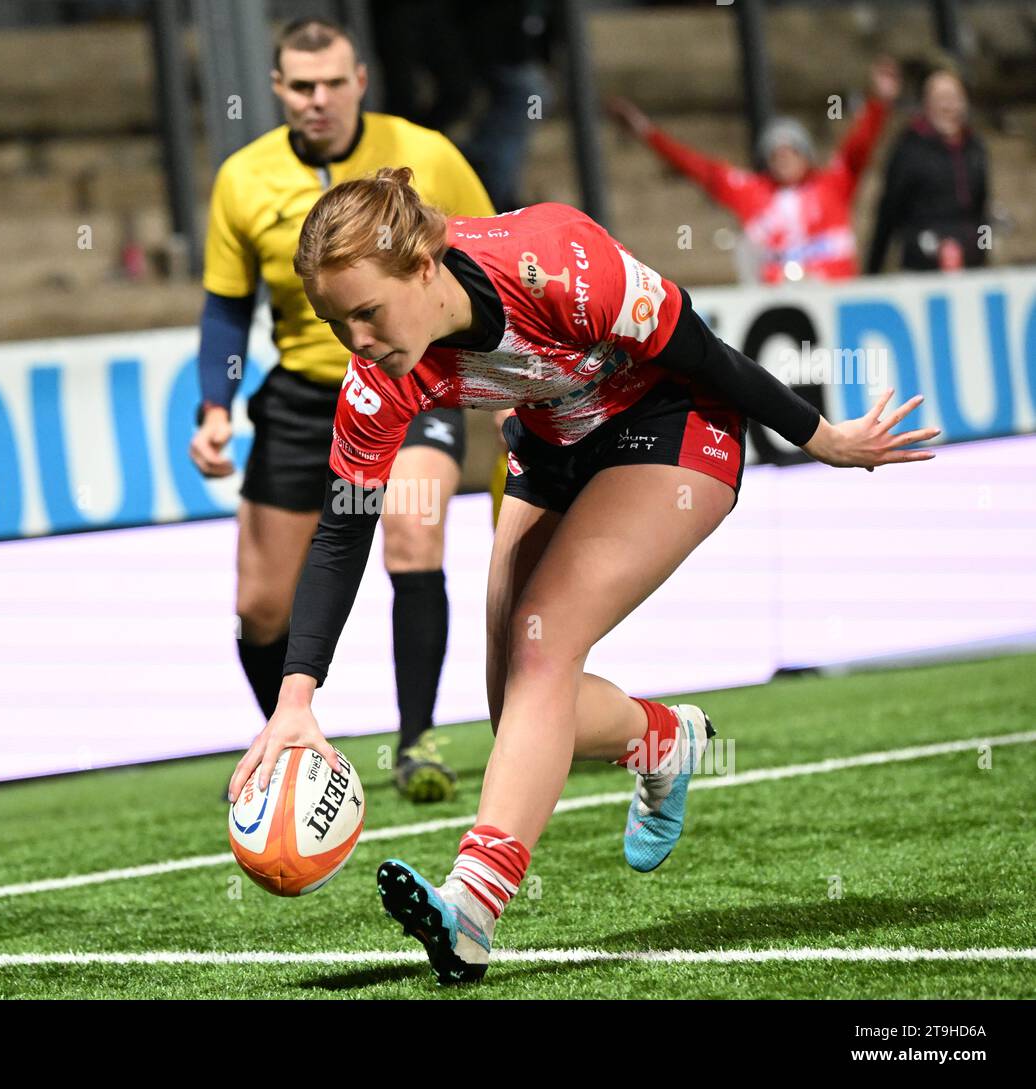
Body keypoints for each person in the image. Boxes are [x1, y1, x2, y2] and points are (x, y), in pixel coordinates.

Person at [228, 168, 937, 984]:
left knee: (543, 645)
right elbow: (343, 531)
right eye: (333, 321)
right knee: (519, 707)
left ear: (423, 268)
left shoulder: (554, 261)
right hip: (555, 441)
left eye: (366, 311)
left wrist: (821, 438)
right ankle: (663, 741)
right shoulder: (378, 379)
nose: (355, 339)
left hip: (675, 426)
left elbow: (703, 350)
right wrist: (294, 701)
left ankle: (470, 909)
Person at [190, 19, 495, 803]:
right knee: (260, 607)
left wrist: (506, 387)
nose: (317, 99)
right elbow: (227, 310)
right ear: (277, 90)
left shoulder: (425, 154)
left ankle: (417, 739)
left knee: (412, 530)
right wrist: (215, 405)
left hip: (414, 377)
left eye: (331, 83)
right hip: (301, 397)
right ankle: (292, 747)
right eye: (300, 85)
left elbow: (485, 259)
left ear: (361, 79)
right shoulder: (241, 179)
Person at [608, 58, 901, 284]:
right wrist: (646, 132)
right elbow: (698, 167)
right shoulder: (751, 190)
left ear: (807, 155)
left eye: (792, 151)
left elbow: (857, 148)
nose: (783, 158)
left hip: (837, 296)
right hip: (780, 306)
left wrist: (880, 101)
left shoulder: (833, 184)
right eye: (775, 153)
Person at [866, 68, 990, 274]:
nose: (948, 106)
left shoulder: (975, 148)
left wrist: (985, 253)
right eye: (940, 98)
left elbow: (982, 211)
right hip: (922, 266)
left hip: (971, 267)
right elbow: (888, 211)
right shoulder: (909, 148)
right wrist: (873, 270)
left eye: (954, 98)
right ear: (926, 104)